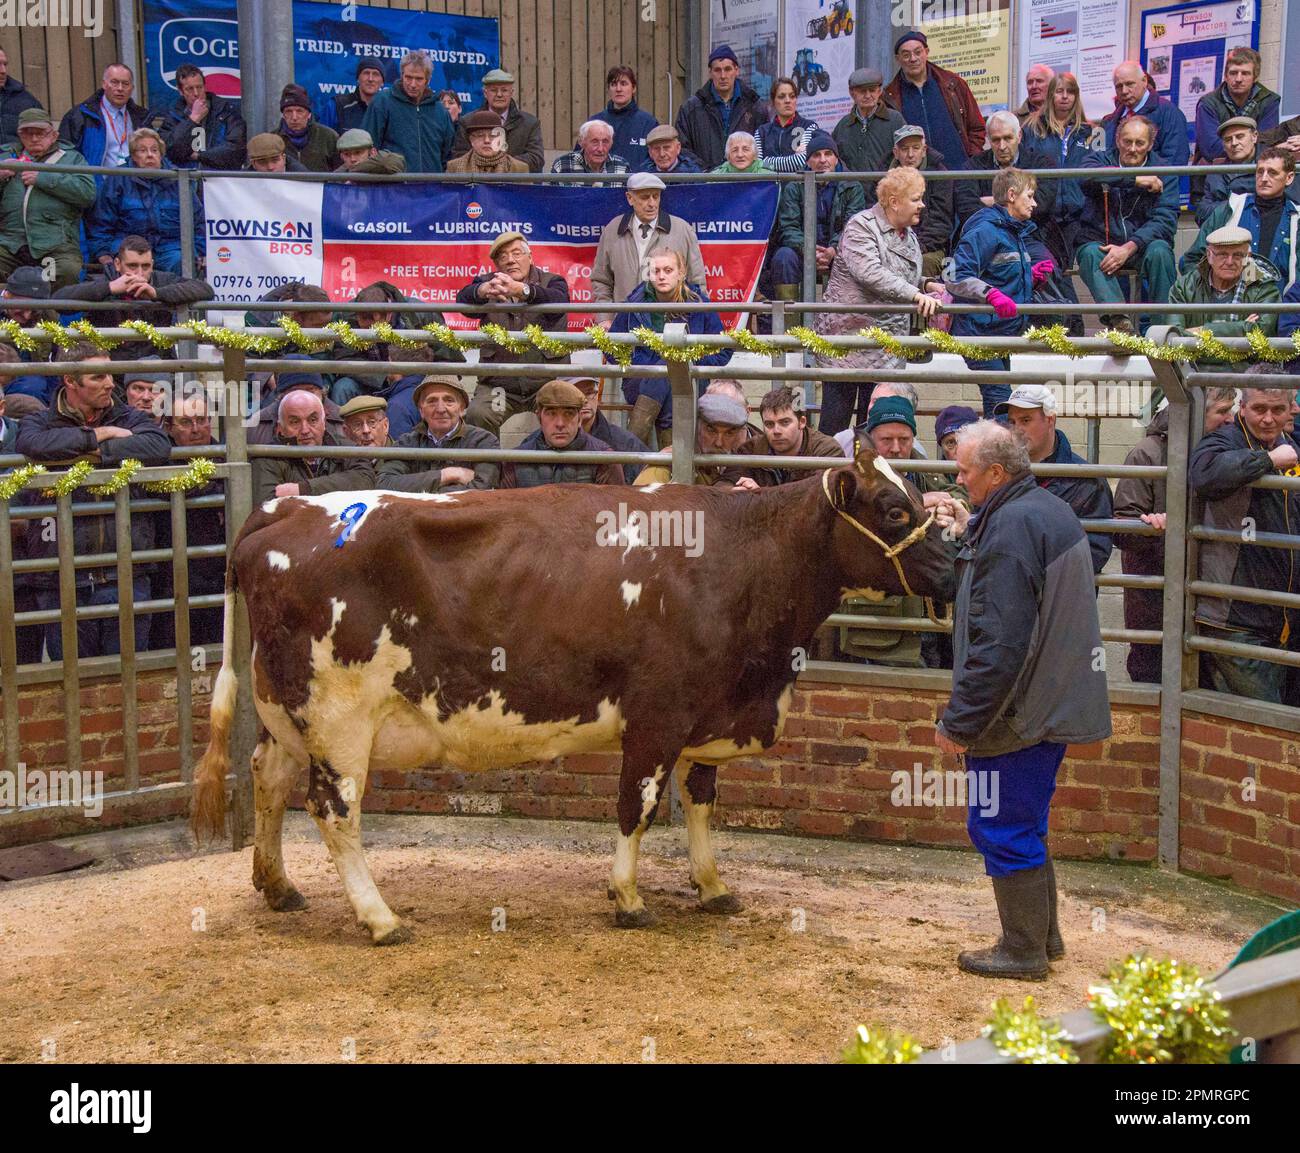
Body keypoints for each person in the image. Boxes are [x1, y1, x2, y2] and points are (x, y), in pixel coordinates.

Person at [934, 419, 1110, 979]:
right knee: (1025, 821)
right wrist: (970, 529)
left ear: (995, 471)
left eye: (964, 471)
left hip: (1020, 711)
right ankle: (1044, 938)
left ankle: (1023, 950)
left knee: (1000, 822)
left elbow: (1002, 645)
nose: (958, 480)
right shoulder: (1039, 509)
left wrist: (959, 722)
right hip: (1050, 701)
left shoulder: (1011, 529)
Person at [17, 345, 171, 659]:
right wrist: (100, 434)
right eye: (97, 377)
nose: (109, 383)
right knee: (73, 681)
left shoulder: (130, 416)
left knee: (129, 676)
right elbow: (33, 445)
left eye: (110, 374)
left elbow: (156, 446)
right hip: (60, 577)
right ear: (70, 382)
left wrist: (87, 450)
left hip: (127, 571)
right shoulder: (39, 420)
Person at [1114, 388, 1237, 683]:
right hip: (1156, 593)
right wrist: (1153, 529)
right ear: (1195, 415)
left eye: (1231, 410)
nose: (1230, 419)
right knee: (1152, 673)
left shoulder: (1226, 452)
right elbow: (1122, 529)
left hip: (1208, 595)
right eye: (1222, 411)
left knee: (1206, 682)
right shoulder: (1147, 453)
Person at [1189, 384, 1300, 703]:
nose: (1268, 419)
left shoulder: (1288, 444)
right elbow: (1206, 474)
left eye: (1277, 410)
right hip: (1234, 615)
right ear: (1243, 407)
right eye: (1259, 409)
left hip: (1281, 616)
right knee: (1263, 723)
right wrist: (1267, 461)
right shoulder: (1225, 440)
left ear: (1290, 409)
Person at [815, 166, 943, 434]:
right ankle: (827, 475)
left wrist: (926, 284)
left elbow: (900, 276)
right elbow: (870, 273)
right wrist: (915, 294)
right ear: (894, 202)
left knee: (873, 428)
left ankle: (866, 477)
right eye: (916, 199)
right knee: (834, 427)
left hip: (885, 348)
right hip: (848, 342)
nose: (922, 205)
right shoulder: (860, 226)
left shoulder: (908, 235)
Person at [609, 248, 732, 447]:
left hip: (691, 380)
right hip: (640, 381)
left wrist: (691, 361)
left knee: (672, 365)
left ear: (681, 273)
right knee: (668, 367)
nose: (661, 276)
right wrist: (640, 366)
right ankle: (674, 463)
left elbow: (724, 349)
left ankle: (630, 447)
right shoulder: (634, 303)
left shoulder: (699, 304)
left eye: (668, 270)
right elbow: (610, 345)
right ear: (649, 274)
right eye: (656, 271)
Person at [946, 167, 1041, 415]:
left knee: (998, 403)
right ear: (1011, 195)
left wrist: (1030, 276)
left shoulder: (1011, 231)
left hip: (996, 332)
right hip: (978, 332)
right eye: (1029, 196)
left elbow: (998, 272)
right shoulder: (987, 230)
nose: (1035, 203)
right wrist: (991, 294)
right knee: (1000, 403)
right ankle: (993, 452)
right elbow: (955, 276)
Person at [456, 231, 571, 435]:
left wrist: (523, 290)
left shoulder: (553, 281)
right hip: (501, 388)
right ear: (497, 265)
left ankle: (556, 466)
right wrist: (482, 290)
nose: (510, 260)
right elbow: (463, 301)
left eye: (516, 253)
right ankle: (490, 468)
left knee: (566, 415)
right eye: (503, 256)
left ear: (530, 257)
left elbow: (558, 303)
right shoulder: (488, 283)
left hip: (545, 384)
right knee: (479, 414)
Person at [1075, 116, 1179, 334]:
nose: (1132, 148)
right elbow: (1085, 177)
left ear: (1150, 145)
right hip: (1103, 243)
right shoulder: (1101, 159)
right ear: (1117, 139)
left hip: (1141, 246)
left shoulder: (1164, 169)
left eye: (1139, 143)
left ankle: (1163, 332)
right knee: (1088, 253)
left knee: (1161, 252)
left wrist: (1129, 247)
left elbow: (1165, 220)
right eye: (1126, 141)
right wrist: (1134, 179)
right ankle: (1121, 324)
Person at [995, 384, 1114, 575]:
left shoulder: (1087, 480)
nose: (1017, 429)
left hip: (1060, 597)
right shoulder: (999, 473)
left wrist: (1028, 565)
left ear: (1050, 420)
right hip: (1012, 592)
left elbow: (1095, 553)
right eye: (1012, 422)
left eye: (1026, 420)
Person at [53, 234, 214, 363]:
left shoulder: (162, 280)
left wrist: (157, 294)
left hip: (157, 364)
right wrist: (110, 288)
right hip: (112, 366)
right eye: (132, 266)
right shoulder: (100, 281)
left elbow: (205, 289)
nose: (139, 273)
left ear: (152, 264)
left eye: (145, 266)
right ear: (117, 264)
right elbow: (59, 301)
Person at [152, 390, 224, 650]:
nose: (196, 429)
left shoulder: (228, 458)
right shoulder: (156, 464)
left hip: (218, 578)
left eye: (202, 419)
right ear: (169, 427)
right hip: (170, 581)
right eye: (185, 422)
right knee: (173, 652)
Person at [955, 110, 1067, 277]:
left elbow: (1041, 206)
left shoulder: (1042, 163)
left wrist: (993, 202)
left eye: (1008, 138)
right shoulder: (972, 167)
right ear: (988, 139)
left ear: (1019, 136)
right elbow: (967, 209)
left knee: (1046, 271)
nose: (1002, 146)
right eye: (995, 140)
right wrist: (1017, 204)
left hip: (1032, 236)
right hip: (986, 239)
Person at [590, 172, 706, 324]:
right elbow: (601, 280)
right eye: (645, 197)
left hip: (672, 327)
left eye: (656, 196)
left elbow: (697, 282)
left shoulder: (682, 230)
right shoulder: (613, 230)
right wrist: (605, 319)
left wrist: (696, 324)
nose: (652, 203)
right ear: (629, 198)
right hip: (625, 325)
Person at [85, 127, 204, 274]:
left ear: (161, 155)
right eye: (142, 150)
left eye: (154, 150)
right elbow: (100, 223)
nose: (149, 155)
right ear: (133, 156)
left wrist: (200, 251)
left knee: (181, 261)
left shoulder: (179, 179)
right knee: (126, 266)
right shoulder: (116, 178)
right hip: (128, 247)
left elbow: (199, 221)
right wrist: (103, 253)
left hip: (171, 248)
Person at [0, 108, 96, 289]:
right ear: (19, 135)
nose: (34, 138)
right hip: (10, 244)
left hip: (55, 245)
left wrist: (43, 178)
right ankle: (10, 311)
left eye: (40, 133)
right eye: (28, 133)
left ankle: (47, 314)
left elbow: (87, 194)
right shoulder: (6, 158)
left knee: (67, 270)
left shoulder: (71, 159)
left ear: (54, 135)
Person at [1023, 72, 1105, 278]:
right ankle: (1066, 310)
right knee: (1050, 268)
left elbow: (1103, 172)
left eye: (1071, 92)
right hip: (1043, 215)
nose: (1065, 97)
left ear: (1077, 97)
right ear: (1051, 95)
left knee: (1086, 265)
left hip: (1080, 214)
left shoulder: (1094, 132)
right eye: (1059, 91)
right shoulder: (1032, 129)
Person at [1185, 147, 1299, 292]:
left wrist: (1287, 313)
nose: (1264, 178)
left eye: (1272, 173)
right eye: (1260, 171)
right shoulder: (1231, 209)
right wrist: (1209, 296)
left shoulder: (1297, 219)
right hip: (1230, 305)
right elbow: (1192, 259)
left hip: (1283, 306)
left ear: (1289, 178)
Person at [1168, 224, 1282, 368]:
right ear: (1209, 255)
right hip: (1195, 372)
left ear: (1248, 257)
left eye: (1238, 255)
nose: (1229, 262)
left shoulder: (1264, 288)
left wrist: (1201, 331)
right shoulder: (1184, 286)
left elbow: (1259, 339)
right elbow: (1174, 339)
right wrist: (1241, 329)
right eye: (1222, 254)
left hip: (1245, 375)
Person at [770, 132, 865, 301]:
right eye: (816, 155)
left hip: (839, 250)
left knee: (856, 257)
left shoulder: (852, 186)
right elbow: (788, 228)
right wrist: (808, 250)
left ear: (836, 159)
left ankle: (842, 322)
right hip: (802, 250)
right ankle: (790, 324)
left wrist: (833, 249)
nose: (822, 160)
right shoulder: (794, 187)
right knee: (783, 257)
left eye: (828, 154)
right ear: (807, 161)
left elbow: (853, 227)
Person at [378, 375, 500, 494]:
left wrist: (418, 490)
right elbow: (384, 484)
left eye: (449, 401)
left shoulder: (483, 441)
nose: (441, 409)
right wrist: (448, 474)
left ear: (462, 408)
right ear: (421, 411)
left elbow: (484, 489)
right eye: (432, 401)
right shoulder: (407, 442)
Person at [252, 389, 374, 504]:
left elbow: (365, 479)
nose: (305, 430)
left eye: (313, 420)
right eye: (295, 422)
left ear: (324, 423)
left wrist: (303, 489)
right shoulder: (267, 457)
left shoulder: (346, 449)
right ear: (280, 428)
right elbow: (268, 506)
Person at [884, 30, 985, 169]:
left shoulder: (953, 84)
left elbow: (977, 127)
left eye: (918, 52)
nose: (913, 59)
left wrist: (971, 158)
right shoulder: (890, 97)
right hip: (916, 178)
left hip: (960, 172)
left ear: (926, 52)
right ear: (898, 59)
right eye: (906, 55)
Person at [499, 379, 625, 488]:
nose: (560, 423)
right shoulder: (516, 461)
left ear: (580, 419)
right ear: (539, 417)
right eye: (551, 413)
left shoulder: (605, 460)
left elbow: (612, 511)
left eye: (568, 414)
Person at [869, 124, 954, 279]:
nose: (910, 154)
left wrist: (914, 248)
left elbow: (940, 223)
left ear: (924, 150)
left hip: (928, 247)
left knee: (922, 263)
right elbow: (875, 215)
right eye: (904, 149)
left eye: (916, 148)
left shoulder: (941, 175)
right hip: (887, 244)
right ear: (895, 152)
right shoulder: (882, 175)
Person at [716, 385, 844, 489]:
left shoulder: (827, 452)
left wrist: (759, 497)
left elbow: (816, 502)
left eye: (785, 422)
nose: (776, 431)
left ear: (802, 422)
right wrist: (734, 492)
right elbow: (724, 484)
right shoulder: (751, 448)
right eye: (769, 424)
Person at [673, 44, 770, 172]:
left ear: (737, 70)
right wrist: (706, 173)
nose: (723, 76)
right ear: (710, 73)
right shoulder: (691, 108)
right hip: (705, 183)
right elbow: (682, 149)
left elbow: (764, 146)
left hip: (746, 183)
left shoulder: (754, 106)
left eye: (728, 69)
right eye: (717, 70)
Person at [362, 51, 455, 174]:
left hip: (432, 188)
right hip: (392, 187)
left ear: (428, 80)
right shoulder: (382, 102)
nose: (413, 84)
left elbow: (448, 156)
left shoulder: (440, 111)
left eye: (419, 79)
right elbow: (368, 147)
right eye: (408, 77)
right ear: (402, 75)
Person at [634, 391, 750, 486]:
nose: (719, 442)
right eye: (711, 430)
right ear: (696, 426)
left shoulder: (719, 467)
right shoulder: (664, 470)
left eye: (729, 433)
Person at [1194, 47, 1279, 166]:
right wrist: (1247, 148)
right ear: (1225, 76)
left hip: (1254, 175)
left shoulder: (1269, 101)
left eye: (1245, 73)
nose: (1238, 79)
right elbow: (1211, 149)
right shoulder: (1208, 103)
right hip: (1212, 176)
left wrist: (1234, 147)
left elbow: (1266, 144)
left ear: (1255, 77)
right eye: (1233, 73)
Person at [449, 68, 544, 172]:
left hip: (516, 185)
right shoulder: (467, 122)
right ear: (485, 93)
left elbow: (536, 158)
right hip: (476, 184)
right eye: (493, 90)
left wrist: (503, 165)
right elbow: (459, 156)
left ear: (511, 92)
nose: (499, 94)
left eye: (504, 90)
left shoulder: (530, 123)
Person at [59, 64, 149, 175]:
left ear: (132, 88)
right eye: (114, 82)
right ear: (104, 84)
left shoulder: (142, 117)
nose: (120, 88)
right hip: (96, 187)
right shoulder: (80, 116)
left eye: (125, 84)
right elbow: (65, 157)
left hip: (134, 187)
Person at [158, 63, 247, 170]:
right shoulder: (172, 117)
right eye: (190, 89)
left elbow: (236, 150)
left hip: (219, 180)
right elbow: (170, 151)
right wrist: (193, 120)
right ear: (180, 91)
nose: (196, 93)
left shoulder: (226, 111)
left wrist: (199, 156)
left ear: (205, 86)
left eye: (199, 87)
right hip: (186, 181)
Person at [1102, 60, 1190, 168]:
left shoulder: (1169, 113)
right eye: (1119, 86)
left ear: (1144, 81)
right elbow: (1100, 160)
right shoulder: (1109, 121)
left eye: (1129, 84)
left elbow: (1175, 161)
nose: (1124, 91)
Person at [572, 373, 651, 483]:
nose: (585, 400)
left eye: (590, 393)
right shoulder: (543, 441)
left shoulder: (626, 443)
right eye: (577, 394)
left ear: (597, 395)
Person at [833, 67, 903, 188]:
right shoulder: (843, 125)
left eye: (872, 90)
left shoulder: (895, 120)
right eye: (862, 91)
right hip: (852, 196)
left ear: (879, 91)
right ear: (852, 93)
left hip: (886, 193)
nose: (867, 95)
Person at [248, 370, 346, 446]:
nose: (303, 397)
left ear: (322, 392)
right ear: (281, 396)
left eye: (310, 390)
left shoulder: (345, 420)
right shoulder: (255, 427)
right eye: (295, 391)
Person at [1195, 116, 1261, 226]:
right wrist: (1238, 203)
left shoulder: (1269, 166)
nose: (1234, 143)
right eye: (1228, 139)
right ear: (1223, 146)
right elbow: (1201, 214)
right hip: (1223, 232)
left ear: (1254, 137)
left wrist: (1227, 205)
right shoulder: (1216, 171)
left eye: (1240, 137)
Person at [592, 65, 658, 170]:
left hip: (636, 184)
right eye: (613, 84)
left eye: (623, 84)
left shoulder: (649, 123)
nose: (618, 89)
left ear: (634, 88)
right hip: (602, 185)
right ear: (608, 89)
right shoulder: (594, 123)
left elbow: (657, 160)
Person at [755, 76, 818, 173]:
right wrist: (790, 161)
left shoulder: (809, 127)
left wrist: (767, 161)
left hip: (798, 187)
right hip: (769, 187)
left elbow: (801, 162)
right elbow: (756, 165)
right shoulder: (761, 132)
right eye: (781, 96)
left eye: (792, 96)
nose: (788, 101)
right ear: (773, 101)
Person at [276, 84, 339, 172]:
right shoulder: (272, 139)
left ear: (309, 114)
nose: (294, 117)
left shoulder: (328, 137)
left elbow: (341, 171)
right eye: (288, 111)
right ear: (283, 115)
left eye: (299, 111)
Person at [446, 109, 528, 174]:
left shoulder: (519, 168)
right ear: (471, 140)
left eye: (493, 136)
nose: (487, 141)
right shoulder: (454, 167)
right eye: (480, 135)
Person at [550, 119, 629, 182]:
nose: (600, 149)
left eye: (605, 142)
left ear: (611, 143)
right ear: (581, 142)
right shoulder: (562, 165)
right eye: (594, 142)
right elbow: (550, 199)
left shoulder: (622, 167)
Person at [0, 47, 43, 147]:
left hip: (19, 161)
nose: (3, 71)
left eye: (5, 64)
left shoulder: (26, 101)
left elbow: (45, 140)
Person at [333, 62, 386, 135]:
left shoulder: (388, 110)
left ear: (382, 82)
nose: (370, 79)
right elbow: (322, 139)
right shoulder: (337, 105)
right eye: (366, 73)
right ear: (358, 78)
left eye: (376, 74)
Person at [335, 128, 406, 176]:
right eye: (347, 154)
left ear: (373, 152)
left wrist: (356, 172)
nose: (353, 159)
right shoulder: (336, 177)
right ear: (341, 156)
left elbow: (389, 162)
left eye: (358, 153)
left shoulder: (384, 166)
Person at [636, 124, 702, 175]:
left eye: (666, 147)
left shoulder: (692, 174)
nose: (662, 154)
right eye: (656, 149)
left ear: (678, 148)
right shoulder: (642, 174)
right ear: (650, 152)